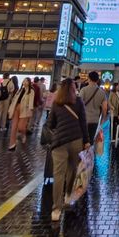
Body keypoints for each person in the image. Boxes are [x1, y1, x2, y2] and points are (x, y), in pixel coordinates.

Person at [48, 78, 90, 222]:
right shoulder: (78, 101)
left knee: (58, 174)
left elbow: (50, 124)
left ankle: (56, 209)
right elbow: (83, 122)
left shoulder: (56, 102)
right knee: (72, 170)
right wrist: (86, 141)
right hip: (76, 140)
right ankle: (67, 197)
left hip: (59, 142)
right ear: (73, 88)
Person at [78, 71, 108, 143]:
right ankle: (89, 153)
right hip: (95, 120)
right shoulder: (102, 92)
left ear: (89, 79)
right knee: (91, 141)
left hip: (83, 120)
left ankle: (82, 154)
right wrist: (102, 120)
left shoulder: (83, 90)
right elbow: (105, 108)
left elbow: (79, 104)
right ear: (97, 80)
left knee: (82, 141)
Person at [7, 77, 35, 151]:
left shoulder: (31, 91)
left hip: (24, 110)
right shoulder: (20, 90)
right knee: (14, 127)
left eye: (26, 81)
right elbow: (14, 99)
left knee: (20, 127)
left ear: (29, 83)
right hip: (16, 108)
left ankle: (23, 134)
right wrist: (10, 108)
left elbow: (31, 101)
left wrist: (30, 109)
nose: (24, 82)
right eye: (24, 80)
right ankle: (12, 144)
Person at [109, 81, 119, 146]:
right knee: (113, 125)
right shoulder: (112, 93)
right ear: (115, 86)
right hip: (114, 112)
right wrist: (112, 107)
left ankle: (118, 136)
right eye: (118, 86)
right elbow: (109, 101)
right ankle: (113, 137)